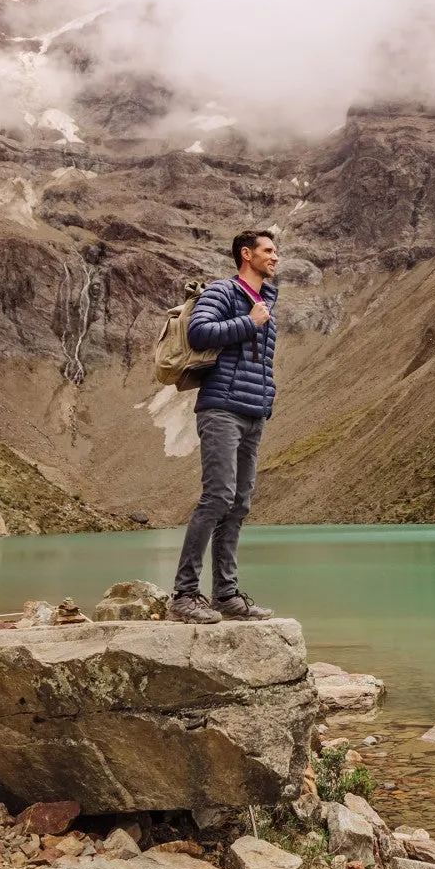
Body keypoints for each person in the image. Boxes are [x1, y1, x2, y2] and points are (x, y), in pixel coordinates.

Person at [169, 228, 281, 623]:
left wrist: (268, 397)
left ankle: (226, 596)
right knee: (217, 497)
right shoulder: (224, 291)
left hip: (253, 413)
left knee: (239, 504)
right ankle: (184, 595)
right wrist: (249, 323)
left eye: (276, 250)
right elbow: (199, 333)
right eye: (268, 251)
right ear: (246, 254)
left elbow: (259, 362)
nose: (275, 256)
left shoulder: (267, 299)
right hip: (221, 409)